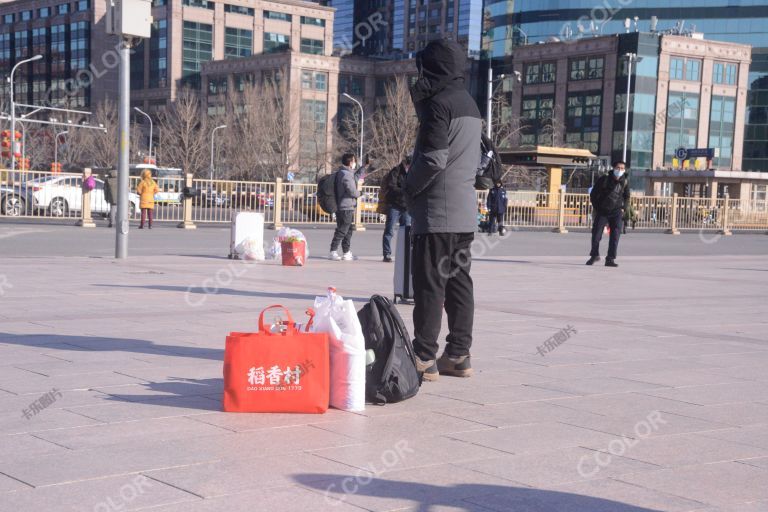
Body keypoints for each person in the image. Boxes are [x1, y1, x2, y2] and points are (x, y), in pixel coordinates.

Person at [406, 39, 481, 381]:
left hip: (437, 212)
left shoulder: (438, 104)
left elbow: (434, 159)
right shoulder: (469, 103)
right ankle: (459, 354)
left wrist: (408, 187)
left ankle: (424, 357)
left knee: (429, 284)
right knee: (458, 283)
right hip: (465, 213)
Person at [587, 161, 630, 267]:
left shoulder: (624, 182)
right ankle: (594, 255)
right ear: (613, 168)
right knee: (596, 234)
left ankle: (610, 259)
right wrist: (597, 207)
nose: (620, 170)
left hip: (616, 212)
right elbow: (593, 194)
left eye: (622, 168)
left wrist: (624, 208)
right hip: (602, 211)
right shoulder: (604, 179)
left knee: (615, 236)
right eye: (618, 168)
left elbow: (627, 196)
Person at [329, 152, 360, 261]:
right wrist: (359, 193)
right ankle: (333, 251)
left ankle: (346, 252)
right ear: (350, 162)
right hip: (346, 206)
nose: (355, 163)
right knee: (343, 230)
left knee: (348, 229)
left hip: (342, 206)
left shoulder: (340, 172)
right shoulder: (346, 174)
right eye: (354, 161)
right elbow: (351, 191)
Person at [381, 156, 412, 262]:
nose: (409, 167)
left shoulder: (413, 172)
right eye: (408, 165)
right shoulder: (396, 171)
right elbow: (391, 186)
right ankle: (387, 254)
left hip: (406, 206)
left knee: (407, 231)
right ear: (405, 164)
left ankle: (405, 253)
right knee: (389, 230)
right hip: (394, 205)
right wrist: (403, 191)